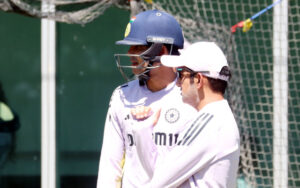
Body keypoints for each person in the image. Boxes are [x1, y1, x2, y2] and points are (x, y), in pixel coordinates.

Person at [96, 10, 197, 187]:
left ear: (162, 50)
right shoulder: (122, 96)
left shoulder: (192, 97)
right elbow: (110, 165)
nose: (129, 53)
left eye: (138, 47)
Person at [132, 41, 240, 187]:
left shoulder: (209, 123)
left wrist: (141, 132)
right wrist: (142, 131)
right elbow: (160, 175)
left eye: (181, 74)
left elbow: (158, 182)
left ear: (199, 80)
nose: (177, 82)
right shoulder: (217, 118)